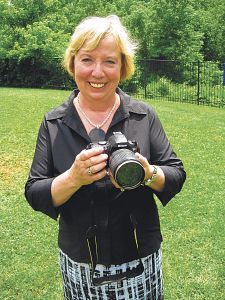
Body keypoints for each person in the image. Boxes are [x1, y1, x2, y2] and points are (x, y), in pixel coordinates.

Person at [25, 15, 186, 300]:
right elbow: (36, 193)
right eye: (87, 59)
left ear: (122, 67)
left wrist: (147, 174)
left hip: (139, 257)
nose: (97, 72)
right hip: (80, 262)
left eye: (109, 61)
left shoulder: (143, 115)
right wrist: (73, 178)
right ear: (73, 62)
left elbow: (175, 174)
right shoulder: (55, 123)